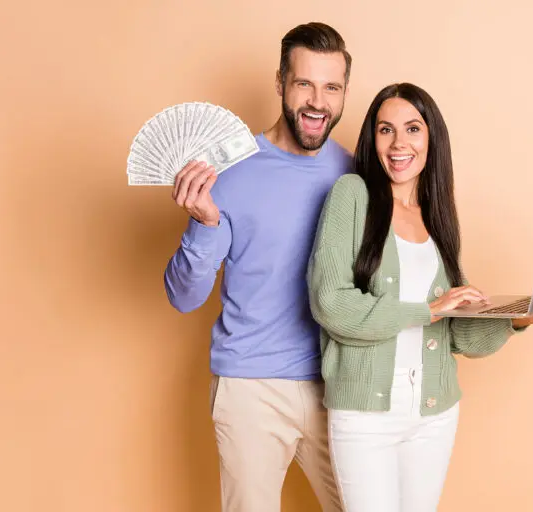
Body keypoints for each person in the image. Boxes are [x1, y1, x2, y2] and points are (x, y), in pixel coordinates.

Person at [306, 82, 533, 512]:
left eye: (413, 129)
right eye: (385, 130)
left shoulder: (438, 214)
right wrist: (427, 309)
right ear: (372, 138)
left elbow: (458, 336)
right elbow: (330, 303)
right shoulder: (351, 195)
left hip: (434, 412)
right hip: (366, 417)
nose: (398, 144)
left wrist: (519, 318)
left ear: (432, 139)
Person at [164, 22, 352, 512]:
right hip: (250, 388)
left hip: (337, 385)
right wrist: (204, 225)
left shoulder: (355, 174)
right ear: (280, 83)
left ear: (344, 93)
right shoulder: (228, 168)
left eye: (331, 87)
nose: (317, 101)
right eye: (304, 83)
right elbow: (184, 297)